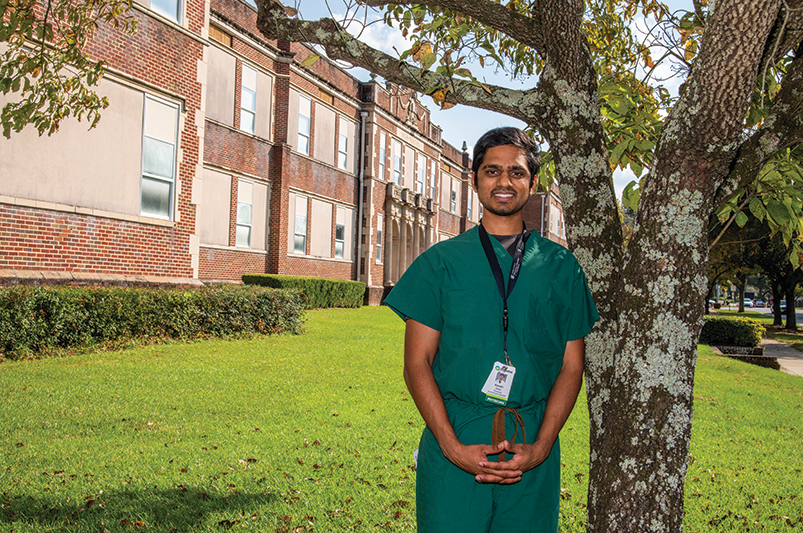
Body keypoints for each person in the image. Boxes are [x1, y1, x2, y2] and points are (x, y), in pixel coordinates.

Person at [384, 127, 599, 533]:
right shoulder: (440, 263)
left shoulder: (561, 268)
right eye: (492, 171)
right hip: (456, 438)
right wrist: (451, 447)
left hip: (531, 442)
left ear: (533, 183)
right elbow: (417, 363)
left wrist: (542, 445)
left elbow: (572, 366)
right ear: (475, 179)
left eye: (517, 173)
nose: (504, 182)